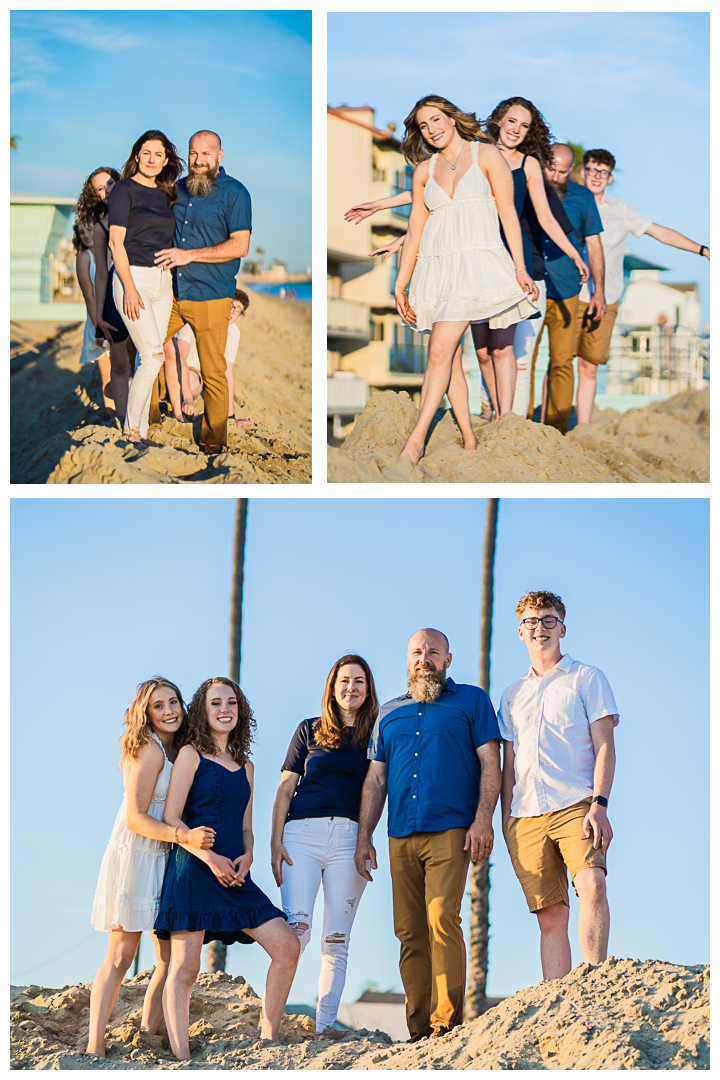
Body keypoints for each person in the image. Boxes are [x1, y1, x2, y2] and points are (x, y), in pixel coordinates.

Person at [349, 98, 588, 422]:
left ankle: (508, 420)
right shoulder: (474, 152)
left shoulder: (524, 163)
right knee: (482, 352)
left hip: (510, 255)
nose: (516, 130)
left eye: (524, 125)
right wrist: (384, 210)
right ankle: (489, 412)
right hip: (467, 257)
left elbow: (544, 218)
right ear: (498, 122)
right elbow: (440, 201)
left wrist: (574, 253)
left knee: (506, 350)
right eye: (511, 122)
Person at [354, 629, 501, 1041]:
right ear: (407, 660)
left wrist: (483, 820)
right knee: (409, 932)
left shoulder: (472, 701)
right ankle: (419, 1032)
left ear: (448, 659)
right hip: (400, 832)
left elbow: (492, 763)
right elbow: (376, 780)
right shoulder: (388, 712)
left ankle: (446, 1025)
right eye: (417, 652)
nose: (424, 658)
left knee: (441, 917)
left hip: (452, 827)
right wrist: (364, 836)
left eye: (433, 652)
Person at [156, 677, 300, 1060]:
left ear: (241, 711)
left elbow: (247, 829)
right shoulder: (190, 754)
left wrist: (249, 855)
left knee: (287, 946)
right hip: (195, 871)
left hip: (237, 876)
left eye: (232, 703)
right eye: (216, 703)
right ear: (203, 711)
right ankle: (183, 1058)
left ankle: (269, 1037)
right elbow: (172, 817)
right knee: (184, 968)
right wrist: (210, 857)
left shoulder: (246, 766)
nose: (225, 709)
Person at [392, 96, 538, 461]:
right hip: (437, 268)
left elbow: (507, 213)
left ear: (453, 119)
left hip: (477, 264)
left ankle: (416, 440)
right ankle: (469, 438)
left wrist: (519, 266)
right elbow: (414, 231)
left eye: (436, 119)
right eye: (424, 126)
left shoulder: (486, 155)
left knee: (439, 349)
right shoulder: (424, 171)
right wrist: (401, 282)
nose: (432, 129)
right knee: (448, 355)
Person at [87, 677, 216, 1058]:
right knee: (121, 955)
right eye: (159, 706)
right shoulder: (150, 749)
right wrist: (184, 837)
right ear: (146, 713)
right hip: (137, 855)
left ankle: (147, 1031)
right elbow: (136, 818)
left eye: (173, 702)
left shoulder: (180, 749)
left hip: (164, 857)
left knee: (166, 958)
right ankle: (94, 1047)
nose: (169, 710)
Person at [498, 591, 618, 981]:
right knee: (550, 916)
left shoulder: (587, 678)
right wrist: (505, 820)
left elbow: (605, 747)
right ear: (520, 632)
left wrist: (599, 804)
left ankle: (596, 984)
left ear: (562, 628)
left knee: (592, 884)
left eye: (548, 620)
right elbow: (509, 764)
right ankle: (557, 1002)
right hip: (525, 815)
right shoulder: (511, 695)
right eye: (531, 622)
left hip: (576, 804)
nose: (540, 628)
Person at [270, 654, 379, 1036]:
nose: (351, 687)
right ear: (332, 688)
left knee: (336, 940)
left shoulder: (377, 735)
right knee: (295, 932)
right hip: (300, 835)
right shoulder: (308, 730)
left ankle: (323, 1029)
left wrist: (366, 839)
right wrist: (274, 840)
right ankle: (271, 1025)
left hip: (350, 839)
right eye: (344, 680)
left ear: (368, 689)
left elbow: (378, 788)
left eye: (359, 681)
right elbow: (286, 787)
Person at [574, 148, 711, 424]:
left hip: (607, 298)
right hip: (569, 294)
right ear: (582, 171)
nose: (596, 176)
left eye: (603, 172)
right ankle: (552, 423)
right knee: (560, 363)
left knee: (589, 366)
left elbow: (660, 232)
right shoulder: (568, 202)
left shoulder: (620, 210)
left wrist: (703, 250)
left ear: (610, 178)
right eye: (592, 169)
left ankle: (582, 428)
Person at [149, 130, 253, 455]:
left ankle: (213, 442)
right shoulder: (176, 189)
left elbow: (241, 245)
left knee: (213, 371)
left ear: (220, 155)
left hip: (212, 294)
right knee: (148, 352)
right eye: (194, 153)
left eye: (206, 154)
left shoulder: (235, 193)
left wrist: (188, 255)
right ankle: (148, 423)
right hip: (172, 292)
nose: (199, 160)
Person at [108, 130, 183, 443]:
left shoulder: (168, 194)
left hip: (163, 282)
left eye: (159, 154)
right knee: (154, 356)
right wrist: (129, 287)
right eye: (147, 152)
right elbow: (116, 241)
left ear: (166, 160)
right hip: (133, 277)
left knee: (146, 357)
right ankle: (132, 432)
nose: (152, 159)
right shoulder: (124, 189)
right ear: (137, 154)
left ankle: (136, 428)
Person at [537, 143, 606, 433]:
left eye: (562, 172)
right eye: (550, 169)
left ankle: (556, 430)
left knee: (563, 362)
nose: (555, 177)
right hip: (532, 285)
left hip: (567, 290)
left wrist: (599, 290)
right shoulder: (529, 187)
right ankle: (515, 424)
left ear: (572, 171)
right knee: (520, 360)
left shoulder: (583, 198)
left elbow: (594, 245)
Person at [76, 167, 132, 420]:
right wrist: (98, 318)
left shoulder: (137, 215)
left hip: (146, 293)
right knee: (117, 365)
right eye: (100, 188)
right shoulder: (100, 227)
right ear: (96, 196)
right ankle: (121, 417)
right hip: (113, 300)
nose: (107, 190)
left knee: (149, 358)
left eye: (111, 183)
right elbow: (99, 276)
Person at [163, 289, 253, 427]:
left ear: (239, 316)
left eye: (237, 310)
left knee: (193, 381)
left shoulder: (233, 332)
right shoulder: (199, 318)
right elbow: (180, 356)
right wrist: (187, 398)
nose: (232, 312)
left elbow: (228, 373)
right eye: (231, 305)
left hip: (196, 376)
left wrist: (230, 417)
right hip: (174, 366)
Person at [72, 219, 114, 412]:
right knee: (106, 373)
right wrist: (99, 326)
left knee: (124, 367)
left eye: (89, 229)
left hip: (117, 316)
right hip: (97, 319)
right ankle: (110, 411)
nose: (86, 235)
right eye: (82, 232)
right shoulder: (84, 257)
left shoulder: (112, 250)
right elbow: (89, 297)